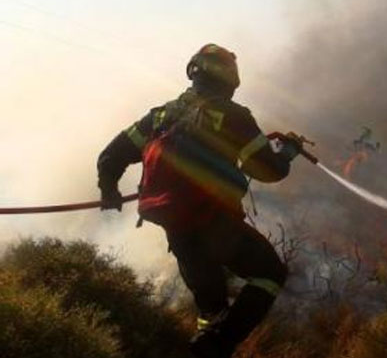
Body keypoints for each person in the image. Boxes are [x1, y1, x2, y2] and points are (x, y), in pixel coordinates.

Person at [97, 44, 301, 358]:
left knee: (211, 308)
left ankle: (209, 343)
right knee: (269, 274)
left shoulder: (161, 115)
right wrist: (287, 153)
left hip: (175, 226)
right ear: (232, 81)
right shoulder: (234, 116)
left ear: (194, 71)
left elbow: (110, 156)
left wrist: (108, 190)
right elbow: (269, 171)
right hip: (214, 222)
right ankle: (219, 344)